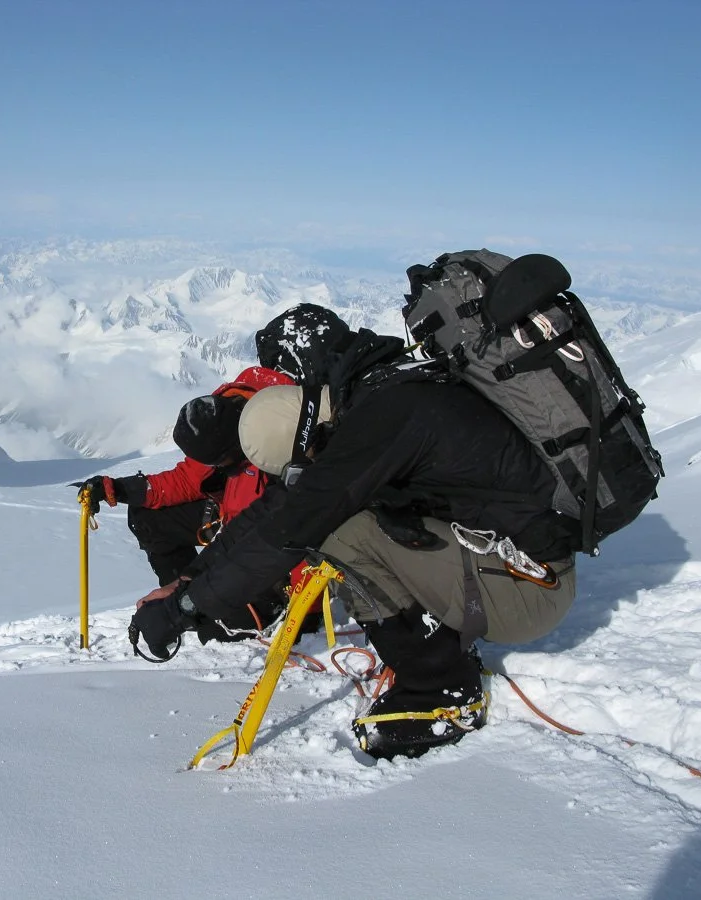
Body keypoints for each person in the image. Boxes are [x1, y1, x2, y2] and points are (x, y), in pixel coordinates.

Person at [129, 312, 579, 759]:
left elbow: (285, 530)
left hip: (527, 592)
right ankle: (434, 646)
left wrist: (183, 610)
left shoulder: (378, 427)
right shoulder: (381, 391)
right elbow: (274, 511)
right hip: (515, 563)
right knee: (350, 520)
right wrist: (187, 583)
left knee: (341, 532)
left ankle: (440, 687)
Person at [74, 365, 295, 644]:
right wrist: (119, 488)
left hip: (277, 545)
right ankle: (189, 603)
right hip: (234, 521)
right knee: (148, 517)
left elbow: (274, 531)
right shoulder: (226, 421)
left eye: (219, 463)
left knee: (219, 630)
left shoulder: (283, 444)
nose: (216, 468)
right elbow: (188, 480)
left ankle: (200, 606)